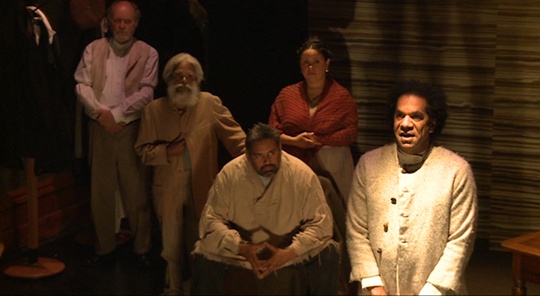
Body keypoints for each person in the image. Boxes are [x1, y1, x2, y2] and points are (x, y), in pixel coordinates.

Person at [346, 80, 478, 295]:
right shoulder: (368, 165)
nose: (405, 124)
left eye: (416, 116)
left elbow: (460, 240)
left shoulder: (456, 171)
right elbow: (357, 230)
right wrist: (374, 284)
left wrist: (431, 291)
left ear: (432, 124)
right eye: (400, 115)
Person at [134, 52, 246, 295]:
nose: (184, 81)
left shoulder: (210, 103)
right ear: (168, 80)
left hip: (202, 187)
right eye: (178, 76)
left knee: (201, 243)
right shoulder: (153, 110)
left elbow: (236, 139)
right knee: (170, 248)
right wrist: (167, 151)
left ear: (198, 81)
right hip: (167, 190)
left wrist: (257, 158)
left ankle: (200, 288)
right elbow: (142, 152)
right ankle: (172, 288)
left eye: (189, 76)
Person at [191, 123, 340, 295]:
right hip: (243, 246)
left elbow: (321, 224)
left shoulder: (302, 174)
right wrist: (240, 247)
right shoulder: (230, 174)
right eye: (259, 156)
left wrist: (290, 251)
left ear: (280, 149)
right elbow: (210, 221)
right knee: (204, 250)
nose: (267, 161)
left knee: (328, 251)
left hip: (289, 245)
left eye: (272, 153)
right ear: (247, 155)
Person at [73, 0, 158, 267]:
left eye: (127, 21)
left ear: (136, 22)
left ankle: (142, 247)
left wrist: (118, 114)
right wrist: (102, 114)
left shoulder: (148, 52)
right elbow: (81, 84)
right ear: (109, 22)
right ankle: (104, 248)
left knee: (136, 190)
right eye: (117, 21)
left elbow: (147, 91)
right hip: (100, 127)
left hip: (130, 128)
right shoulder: (93, 49)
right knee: (101, 190)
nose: (122, 26)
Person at [268, 35, 358, 201]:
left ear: (327, 64)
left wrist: (319, 139)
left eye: (316, 61)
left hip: (332, 162)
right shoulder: (287, 95)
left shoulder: (340, 96)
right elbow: (272, 131)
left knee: (332, 210)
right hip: (294, 161)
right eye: (305, 63)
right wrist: (295, 141)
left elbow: (350, 132)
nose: (311, 67)